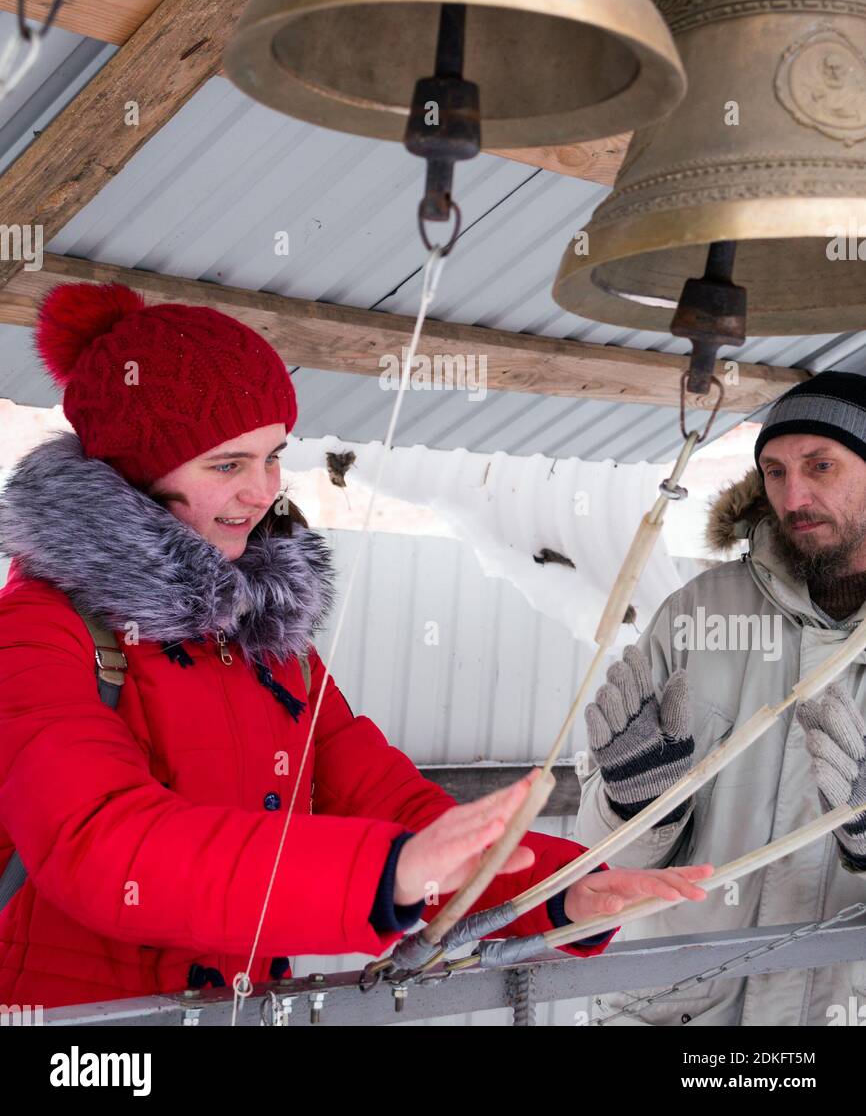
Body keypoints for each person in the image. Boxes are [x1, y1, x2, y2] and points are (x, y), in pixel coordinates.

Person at [0, 281, 711, 1010]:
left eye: (272, 456)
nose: (262, 491)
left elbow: (380, 801)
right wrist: (382, 876)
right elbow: (101, 844)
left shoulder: (265, 638)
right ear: (131, 472)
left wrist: (554, 890)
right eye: (226, 465)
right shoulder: (38, 629)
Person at [577, 371, 866, 1027]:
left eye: (821, 465)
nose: (793, 494)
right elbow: (600, 865)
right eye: (774, 470)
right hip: (680, 1013)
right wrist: (632, 806)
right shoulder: (697, 615)